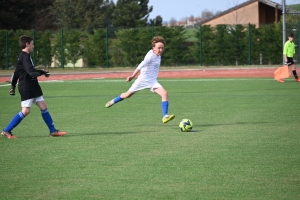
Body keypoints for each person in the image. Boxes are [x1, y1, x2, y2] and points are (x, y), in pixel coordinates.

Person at [1, 35, 66, 139]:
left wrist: (12, 86)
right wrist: (43, 72)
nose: (33, 46)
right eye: (32, 43)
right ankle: (7, 130)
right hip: (27, 87)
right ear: (27, 44)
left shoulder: (23, 56)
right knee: (25, 111)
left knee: (43, 106)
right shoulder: (24, 56)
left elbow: (16, 72)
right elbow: (31, 72)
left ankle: (53, 131)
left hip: (32, 86)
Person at [105, 36, 175, 124]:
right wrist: (132, 76)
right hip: (142, 80)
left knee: (164, 93)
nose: (160, 50)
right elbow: (141, 65)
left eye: (162, 48)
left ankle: (165, 116)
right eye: (158, 48)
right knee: (127, 95)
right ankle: (113, 101)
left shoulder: (158, 55)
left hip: (152, 81)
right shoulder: (150, 56)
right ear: (153, 48)